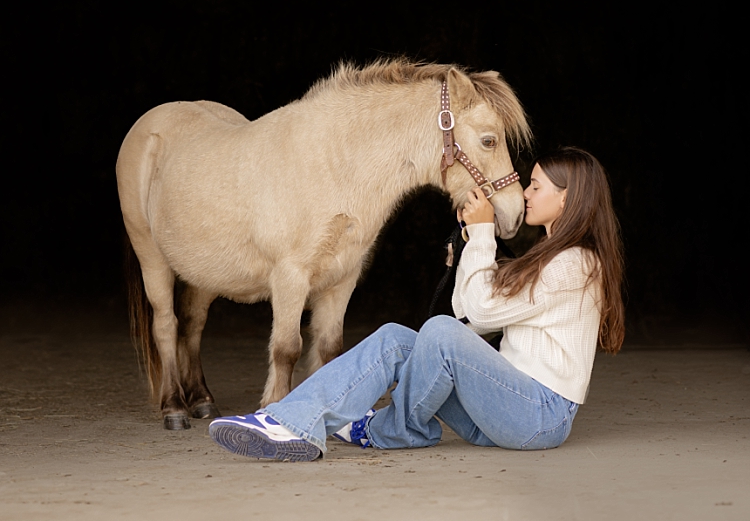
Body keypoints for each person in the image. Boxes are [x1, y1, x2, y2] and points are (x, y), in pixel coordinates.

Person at [208, 147, 624, 461]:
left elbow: (474, 316)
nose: (526, 194)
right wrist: (472, 243)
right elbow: (470, 316)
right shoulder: (549, 257)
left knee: (440, 333)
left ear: (568, 199)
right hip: (500, 407)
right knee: (395, 339)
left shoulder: (576, 265)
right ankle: (288, 420)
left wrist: (483, 238)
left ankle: (396, 428)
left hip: (538, 417)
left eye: (536, 186)